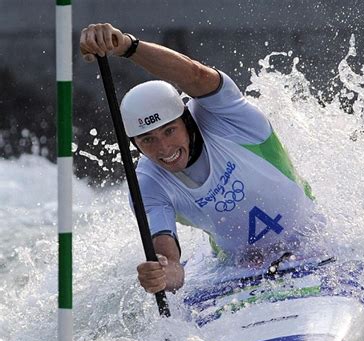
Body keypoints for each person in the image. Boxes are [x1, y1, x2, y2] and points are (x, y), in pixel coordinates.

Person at [80, 23, 326, 295]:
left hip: (314, 243)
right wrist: (163, 273)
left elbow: (195, 75)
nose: (163, 148)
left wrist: (128, 46)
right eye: (147, 140)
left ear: (186, 120)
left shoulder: (228, 117)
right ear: (135, 145)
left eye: (169, 130)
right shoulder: (147, 183)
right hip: (237, 270)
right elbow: (168, 256)